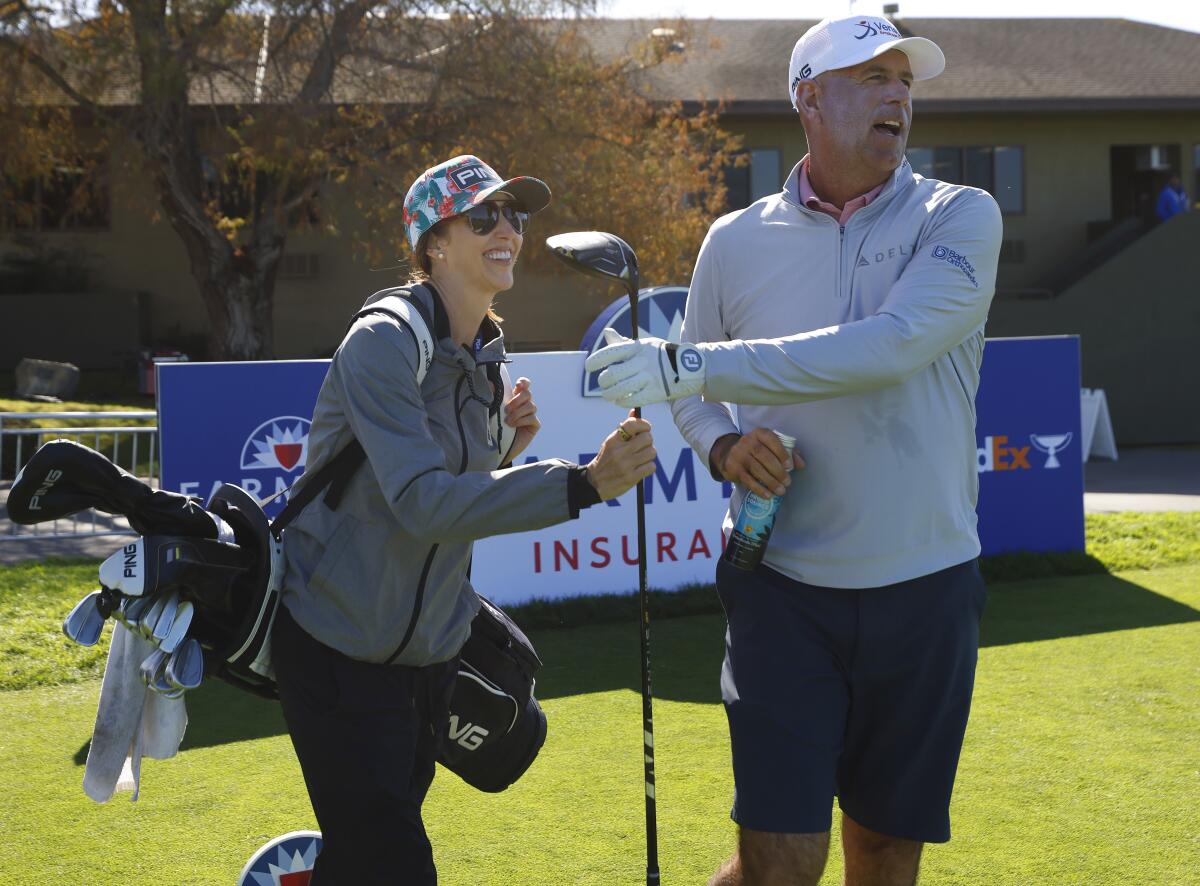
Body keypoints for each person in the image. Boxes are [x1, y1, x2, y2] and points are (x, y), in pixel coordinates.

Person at [586, 15, 1002, 886]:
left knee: (885, 852)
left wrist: (693, 366)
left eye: (905, 81)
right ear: (809, 98)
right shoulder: (734, 241)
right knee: (780, 857)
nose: (898, 94)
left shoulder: (960, 215)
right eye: (873, 76)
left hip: (925, 587)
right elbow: (695, 400)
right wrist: (726, 444)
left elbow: (886, 345)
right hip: (783, 588)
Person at [272, 154, 657, 884]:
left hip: (427, 658)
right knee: (394, 864)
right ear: (435, 243)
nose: (506, 229)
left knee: (365, 858)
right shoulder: (383, 340)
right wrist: (581, 484)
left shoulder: (484, 359)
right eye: (483, 216)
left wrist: (506, 446)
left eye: (515, 214)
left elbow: (453, 488)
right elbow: (422, 504)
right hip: (338, 647)